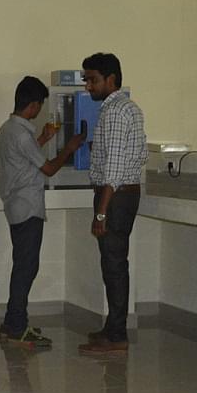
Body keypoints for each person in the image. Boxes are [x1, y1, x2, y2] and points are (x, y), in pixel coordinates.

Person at [0, 76, 86, 347]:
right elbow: (47, 169)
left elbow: (24, 159)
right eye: (40, 105)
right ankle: (17, 326)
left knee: (23, 266)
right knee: (26, 268)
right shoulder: (22, 134)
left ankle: (11, 323)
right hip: (27, 208)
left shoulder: (8, 129)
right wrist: (69, 148)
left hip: (17, 206)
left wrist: (44, 138)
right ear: (34, 105)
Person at [77, 52, 147, 354]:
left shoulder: (117, 111)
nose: (88, 86)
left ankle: (117, 335)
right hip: (118, 194)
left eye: (93, 80)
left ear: (111, 79)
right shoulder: (123, 108)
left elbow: (115, 168)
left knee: (115, 265)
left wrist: (101, 213)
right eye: (87, 80)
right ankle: (112, 328)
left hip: (116, 197)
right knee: (112, 264)